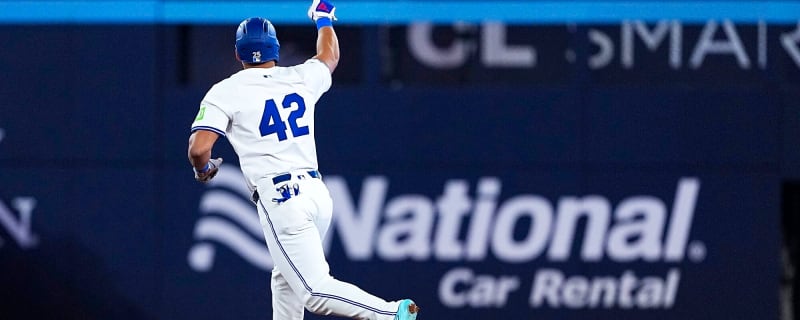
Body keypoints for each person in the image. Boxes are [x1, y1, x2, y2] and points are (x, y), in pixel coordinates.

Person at [186, 1, 419, 319]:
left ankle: (391, 314)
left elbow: (200, 148)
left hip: (281, 197)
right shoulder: (299, 77)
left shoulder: (225, 91)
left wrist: (204, 170)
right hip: (316, 194)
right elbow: (330, 56)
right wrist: (323, 18)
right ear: (275, 50)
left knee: (313, 291)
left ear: (239, 54)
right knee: (285, 279)